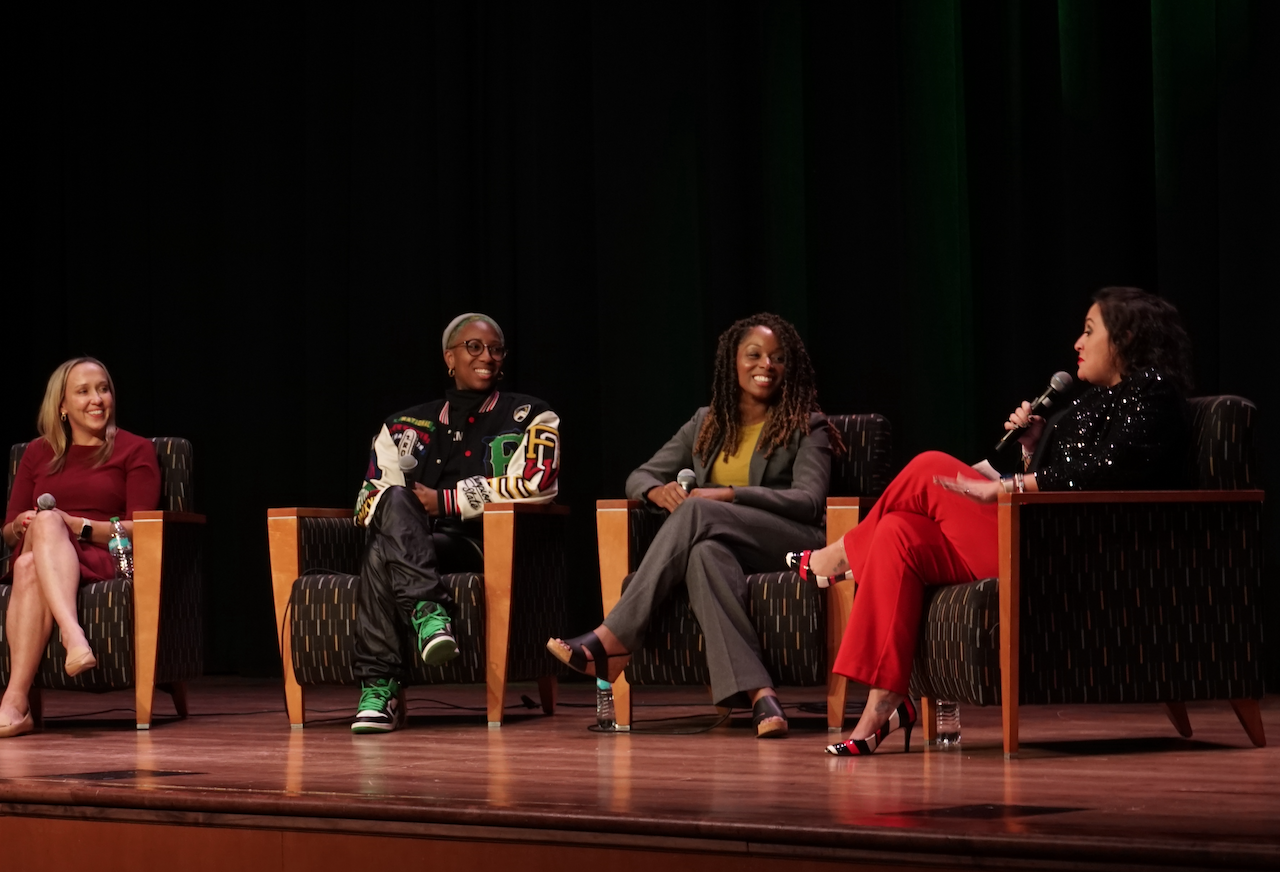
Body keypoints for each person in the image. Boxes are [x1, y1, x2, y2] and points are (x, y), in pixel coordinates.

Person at [799, 287, 1193, 755]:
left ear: (1126, 335)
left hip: (1069, 556)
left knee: (928, 467)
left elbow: (1105, 473)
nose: (1077, 344)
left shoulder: (1154, 392)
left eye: (1090, 331)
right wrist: (1032, 445)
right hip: (1030, 536)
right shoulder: (1090, 403)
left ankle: (838, 556)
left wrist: (1010, 486)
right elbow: (1061, 472)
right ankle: (885, 702)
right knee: (896, 533)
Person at [548, 313, 838, 738]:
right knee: (703, 555)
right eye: (754, 355)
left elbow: (810, 501)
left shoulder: (806, 424)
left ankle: (613, 638)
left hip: (794, 544)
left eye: (777, 358)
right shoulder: (705, 423)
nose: (767, 365)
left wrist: (729, 494)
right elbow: (640, 475)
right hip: (723, 542)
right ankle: (762, 698)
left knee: (698, 510)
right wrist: (656, 492)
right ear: (732, 363)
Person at [350, 313, 560, 733]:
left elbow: (538, 484)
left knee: (381, 556)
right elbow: (367, 500)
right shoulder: (402, 425)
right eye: (475, 347)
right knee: (392, 504)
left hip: (479, 543)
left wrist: (445, 500)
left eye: (496, 349)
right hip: (415, 541)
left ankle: (380, 687)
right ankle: (428, 610)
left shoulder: (531, 416)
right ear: (450, 357)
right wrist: (409, 510)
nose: (488, 357)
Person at [0, 357, 160, 739]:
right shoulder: (37, 453)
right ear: (61, 406)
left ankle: (15, 703)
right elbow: (8, 532)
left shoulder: (135, 449)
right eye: (83, 391)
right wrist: (22, 523)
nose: (97, 399)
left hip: (103, 555)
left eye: (104, 389)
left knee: (31, 562)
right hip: (44, 550)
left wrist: (77, 526)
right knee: (38, 533)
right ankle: (71, 634)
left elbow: (141, 529)